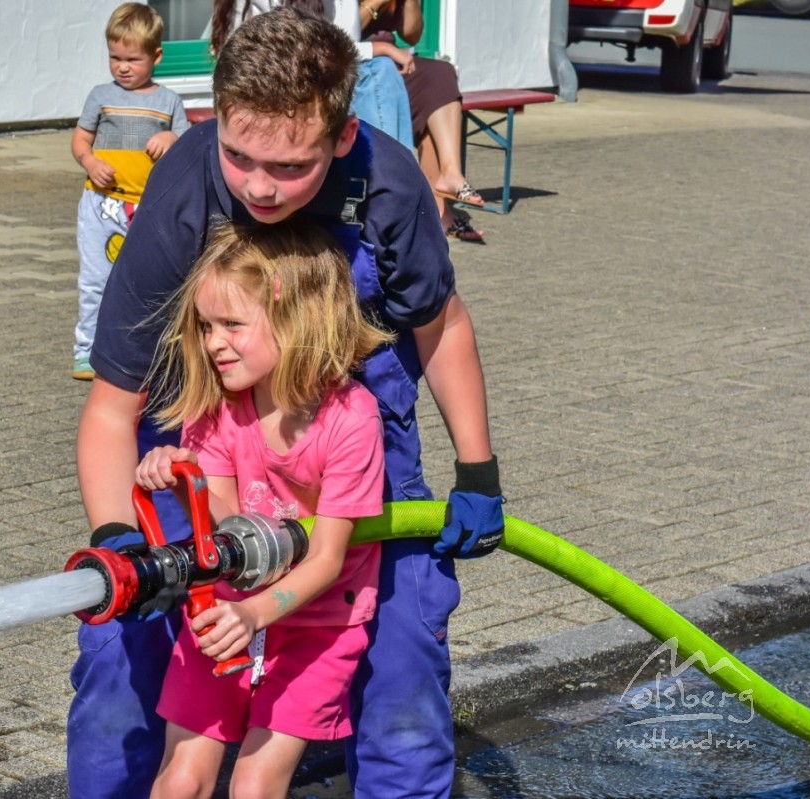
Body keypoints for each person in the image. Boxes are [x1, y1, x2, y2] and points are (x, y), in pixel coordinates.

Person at [69, 9, 506, 799]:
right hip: (210, 437)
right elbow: (109, 410)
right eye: (240, 158)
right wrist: (117, 538)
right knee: (120, 647)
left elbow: (441, 326)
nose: (262, 186)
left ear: (340, 138)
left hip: (353, 441)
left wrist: (478, 470)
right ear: (214, 118)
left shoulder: (389, 181)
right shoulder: (182, 194)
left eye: (292, 166)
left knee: (402, 643)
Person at [136, 221, 390, 799]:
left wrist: (256, 614)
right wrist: (186, 483)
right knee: (181, 780)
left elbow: (327, 558)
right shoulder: (220, 405)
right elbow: (227, 525)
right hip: (225, 611)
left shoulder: (351, 420)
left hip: (316, 624)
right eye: (205, 325)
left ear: (295, 320)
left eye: (231, 325)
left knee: (254, 785)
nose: (212, 343)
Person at [70, 2, 190, 380]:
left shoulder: (168, 101)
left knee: (143, 278)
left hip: (147, 205)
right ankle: (87, 351)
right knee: (95, 279)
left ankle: (140, 351)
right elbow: (80, 141)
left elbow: (187, 142)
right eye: (114, 57)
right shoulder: (100, 95)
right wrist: (90, 163)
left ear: (156, 56)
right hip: (100, 204)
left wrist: (170, 136)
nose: (122, 66)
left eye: (132, 59)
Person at [208, 0, 415, 147]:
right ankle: (389, 175)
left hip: (312, 77)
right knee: (376, 72)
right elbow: (261, 51)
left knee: (381, 70)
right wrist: (381, 48)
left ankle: (395, 177)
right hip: (260, 82)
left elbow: (342, 51)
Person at [361, 0, 486, 241]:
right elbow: (341, 35)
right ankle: (436, 216)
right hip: (362, 64)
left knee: (439, 74)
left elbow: (411, 36)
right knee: (419, 104)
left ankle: (450, 173)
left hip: (394, 63)